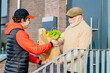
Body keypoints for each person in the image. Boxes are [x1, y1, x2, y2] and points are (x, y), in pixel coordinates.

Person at [4, 9, 58, 73]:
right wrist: (51, 44)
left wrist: (39, 61)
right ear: (22, 20)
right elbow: (36, 50)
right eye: (28, 19)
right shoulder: (19, 33)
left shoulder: (13, 31)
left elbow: (23, 53)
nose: (29, 22)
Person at [58, 7, 92, 73]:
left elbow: (81, 50)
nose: (69, 20)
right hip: (67, 66)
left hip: (76, 68)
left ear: (79, 17)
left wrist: (64, 59)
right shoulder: (69, 28)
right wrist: (47, 43)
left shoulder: (86, 29)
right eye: (68, 17)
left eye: (71, 17)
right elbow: (60, 39)